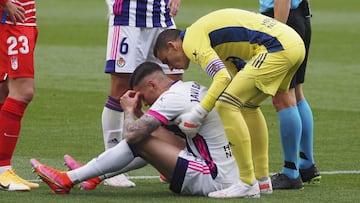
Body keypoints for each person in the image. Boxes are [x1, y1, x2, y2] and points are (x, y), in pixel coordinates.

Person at [30, 62, 246, 197]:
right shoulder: (187, 87)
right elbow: (154, 130)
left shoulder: (171, 99)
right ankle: (91, 175)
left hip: (212, 180)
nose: (147, 103)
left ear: (152, 85)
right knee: (147, 134)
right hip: (226, 173)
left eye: (143, 96)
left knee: (138, 140)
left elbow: (133, 134)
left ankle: (66, 180)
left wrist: (128, 110)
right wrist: (138, 114)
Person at [153, 8, 305, 198]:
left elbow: (222, 78)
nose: (170, 67)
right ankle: (262, 180)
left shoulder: (191, 40)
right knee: (248, 105)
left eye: (166, 60)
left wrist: (199, 112)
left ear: (172, 45)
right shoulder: (213, 42)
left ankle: (247, 182)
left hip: (278, 47)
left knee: (226, 104)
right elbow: (235, 71)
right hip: (294, 44)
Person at [99, 0, 183, 187]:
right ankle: (111, 166)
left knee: (174, 85)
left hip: (162, 14)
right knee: (121, 88)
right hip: (127, 15)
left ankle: (171, 161)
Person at [259, 0, 321, 189]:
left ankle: (291, 172)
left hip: (283, 19)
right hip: (298, 17)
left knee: (282, 98)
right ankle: (306, 165)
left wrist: (277, 32)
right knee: (297, 94)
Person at [0, 0, 39, 191]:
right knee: (23, 92)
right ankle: (2, 170)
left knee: (3, 92)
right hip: (11, 18)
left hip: (21, 17)